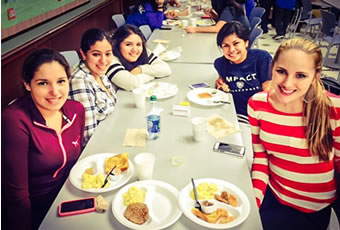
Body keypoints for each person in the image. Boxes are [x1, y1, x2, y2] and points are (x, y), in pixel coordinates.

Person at [248, 38, 340, 230]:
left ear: (315, 76)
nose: (287, 83)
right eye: (281, 71)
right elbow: (261, 158)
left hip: (312, 210)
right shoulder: (257, 104)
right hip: (272, 195)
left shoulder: (334, 109)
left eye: (300, 75)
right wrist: (253, 203)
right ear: (272, 67)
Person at [2, 48, 85, 230]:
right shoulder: (14, 120)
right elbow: (17, 195)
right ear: (27, 84)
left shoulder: (76, 110)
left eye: (61, 81)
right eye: (43, 83)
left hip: (70, 197)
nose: (55, 92)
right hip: (38, 211)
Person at [214, 21, 272, 123]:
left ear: (246, 42)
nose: (231, 50)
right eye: (225, 46)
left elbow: (267, 92)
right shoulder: (220, 63)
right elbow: (224, 84)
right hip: (234, 115)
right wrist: (220, 84)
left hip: (259, 115)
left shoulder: (262, 58)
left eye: (236, 43)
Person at [69, 28, 117, 145]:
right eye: (96, 54)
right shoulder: (80, 81)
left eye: (108, 54)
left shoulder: (99, 73)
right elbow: (89, 137)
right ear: (83, 54)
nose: (103, 61)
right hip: (99, 146)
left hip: (112, 130)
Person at [106, 24, 171, 91]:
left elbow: (166, 69)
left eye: (138, 44)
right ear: (117, 44)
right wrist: (153, 75)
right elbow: (132, 84)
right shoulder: (109, 60)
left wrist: (140, 69)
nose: (135, 50)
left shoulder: (143, 51)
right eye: (128, 44)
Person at [185, 0, 250, 33]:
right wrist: (214, 16)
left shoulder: (230, 8)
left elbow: (217, 29)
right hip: (238, 34)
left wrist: (194, 29)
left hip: (241, 40)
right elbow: (226, 22)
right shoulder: (232, 4)